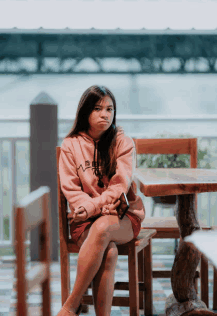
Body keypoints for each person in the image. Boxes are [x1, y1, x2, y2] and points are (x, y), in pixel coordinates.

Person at [57, 85, 145, 316]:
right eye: (97, 108)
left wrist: (95, 206)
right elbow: (71, 189)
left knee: (105, 226)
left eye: (109, 109)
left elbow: (119, 185)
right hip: (85, 219)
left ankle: (70, 306)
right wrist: (88, 208)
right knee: (110, 253)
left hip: (123, 217)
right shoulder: (71, 145)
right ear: (85, 111)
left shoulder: (123, 143)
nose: (105, 114)